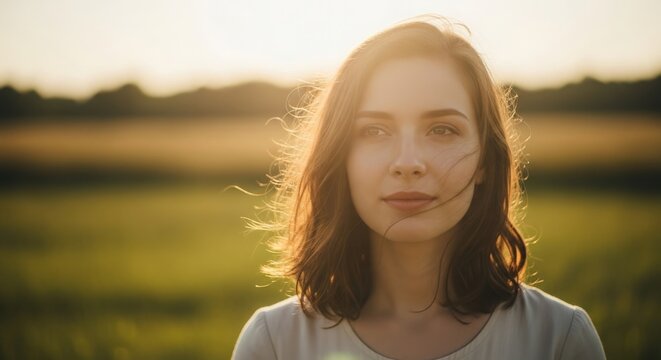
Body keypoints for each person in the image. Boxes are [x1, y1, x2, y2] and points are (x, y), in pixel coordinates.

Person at [231, 13, 606, 360]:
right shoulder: (275, 343)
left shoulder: (558, 338)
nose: (408, 163)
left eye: (442, 129)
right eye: (374, 130)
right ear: (340, 157)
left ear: (485, 163)